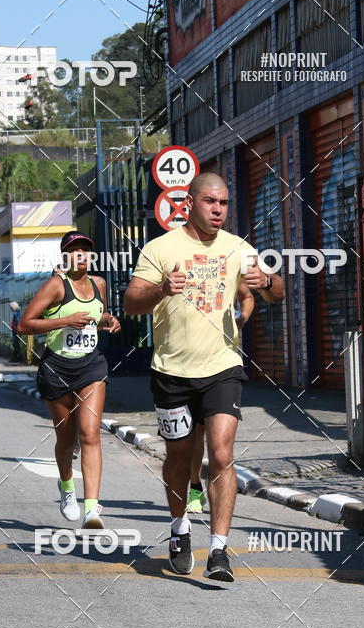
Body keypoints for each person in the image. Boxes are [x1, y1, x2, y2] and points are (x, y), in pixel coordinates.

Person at [124, 172, 284, 582]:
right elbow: (131, 303)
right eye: (211, 201)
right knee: (179, 457)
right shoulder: (161, 248)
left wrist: (267, 282)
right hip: (171, 372)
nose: (218, 210)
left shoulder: (238, 248)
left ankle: (218, 550)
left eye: (224, 203)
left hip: (222, 368)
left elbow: (277, 292)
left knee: (222, 454)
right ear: (190, 203)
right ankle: (179, 527)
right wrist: (161, 290)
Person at [18, 230, 121, 529]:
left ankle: (92, 509)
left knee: (90, 433)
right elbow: (24, 325)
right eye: (75, 251)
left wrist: (109, 321)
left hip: (91, 367)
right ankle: (66, 488)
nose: (81, 255)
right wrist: (64, 320)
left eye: (85, 250)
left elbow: (98, 317)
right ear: (65, 256)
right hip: (57, 369)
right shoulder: (56, 285)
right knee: (66, 438)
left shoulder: (99, 284)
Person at [187, 288, 255, 513]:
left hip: (224, 368)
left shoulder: (229, 271)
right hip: (187, 367)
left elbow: (247, 296)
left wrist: (243, 317)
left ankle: (217, 484)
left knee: (220, 449)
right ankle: (195, 485)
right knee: (196, 434)